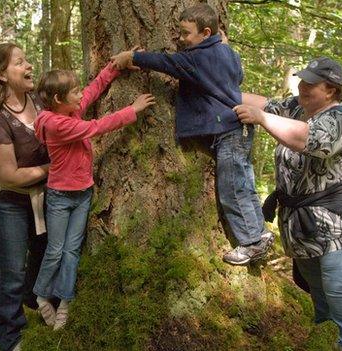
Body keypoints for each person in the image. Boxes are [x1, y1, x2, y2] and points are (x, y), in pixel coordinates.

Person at [233, 57, 342, 351]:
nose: (302, 87)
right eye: (302, 80)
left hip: (337, 238)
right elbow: (263, 102)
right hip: (303, 239)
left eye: (310, 83)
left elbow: (310, 141)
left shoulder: (340, 121)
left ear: (331, 90)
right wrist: (209, 84)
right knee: (326, 317)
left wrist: (261, 118)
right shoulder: (297, 108)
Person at [111, 3, 273, 265]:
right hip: (238, 127)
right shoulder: (228, 53)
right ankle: (260, 235)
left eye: (186, 33)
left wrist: (131, 57)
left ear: (206, 32)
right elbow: (239, 77)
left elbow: (166, 62)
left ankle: (252, 242)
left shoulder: (196, 59)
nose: (181, 39)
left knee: (232, 188)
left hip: (229, 129)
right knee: (243, 184)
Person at [32, 63, 155, 330]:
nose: (79, 95)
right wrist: (131, 110)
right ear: (58, 99)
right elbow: (97, 127)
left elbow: (93, 90)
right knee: (55, 250)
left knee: (72, 250)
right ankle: (42, 296)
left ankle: (64, 302)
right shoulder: (57, 125)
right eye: (73, 92)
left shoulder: (70, 112)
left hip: (83, 194)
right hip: (60, 197)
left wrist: (113, 68)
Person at [0, 43, 49, 351]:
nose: (29, 65)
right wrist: (55, 168)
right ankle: (10, 339)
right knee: (10, 272)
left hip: (41, 195)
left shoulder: (40, 100)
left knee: (47, 254)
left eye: (27, 59)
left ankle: (35, 298)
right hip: (7, 199)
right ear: (1, 74)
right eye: (20, 62)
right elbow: (10, 175)